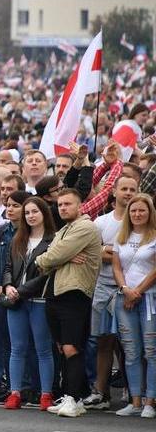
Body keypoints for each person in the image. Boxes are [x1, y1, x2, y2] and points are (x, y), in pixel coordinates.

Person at [35, 188, 102, 418]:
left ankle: (73, 399)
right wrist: (57, 258)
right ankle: (76, 397)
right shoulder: (64, 229)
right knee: (62, 348)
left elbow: (47, 257)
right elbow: (46, 259)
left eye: (68, 204)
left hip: (74, 294)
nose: (63, 208)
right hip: (55, 292)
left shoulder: (85, 227)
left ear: (80, 206)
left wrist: (55, 258)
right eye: (60, 204)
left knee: (71, 347)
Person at [84, 175, 138, 411]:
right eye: (123, 188)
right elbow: (93, 253)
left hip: (134, 289)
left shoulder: (142, 220)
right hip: (104, 287)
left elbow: (140, 255)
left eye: (132, 189)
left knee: (132, 345)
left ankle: (135, 392)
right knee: (103, 341)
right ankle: (101, 392)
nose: (128, 192)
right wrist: (117, 251)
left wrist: (110, 250)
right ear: (114, 191)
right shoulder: (101, 222)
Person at [1, 196, 56, 411]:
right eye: (27, 213)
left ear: (44, 214)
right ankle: (15, 393)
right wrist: (7, 287)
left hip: (39, 300)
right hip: (15, 301)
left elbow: (46, 274)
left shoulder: (53, 240)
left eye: (35, 212)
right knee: (17, 349)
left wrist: (19, 291)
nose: (31, 216)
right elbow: (7, 267)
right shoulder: (18, 238)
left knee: (43, 349)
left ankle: (46, 394)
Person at [111, 194, 156, 418]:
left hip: (149, 300)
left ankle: (150, 401)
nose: (137, 214)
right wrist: (126, 289)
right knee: (131, 352)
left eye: (142, 210)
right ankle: (135, 401)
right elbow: (117, 268)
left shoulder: (155, 236)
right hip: (124, 298)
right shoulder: (121, 237)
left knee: (151, 351)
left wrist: (138, 291)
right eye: (133, 211)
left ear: (150, 213)